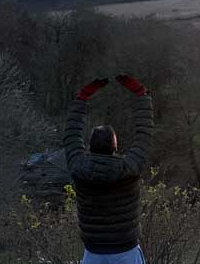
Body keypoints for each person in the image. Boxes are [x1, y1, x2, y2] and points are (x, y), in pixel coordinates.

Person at [63, 75, 154, 264]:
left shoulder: (79, 168)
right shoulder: (129, 168)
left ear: (89, 146)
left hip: (93, 253)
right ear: (115, 147)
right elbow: (144, 133)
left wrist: (82, 97)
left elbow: (71, 133)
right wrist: (142, 95)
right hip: (126, 252)